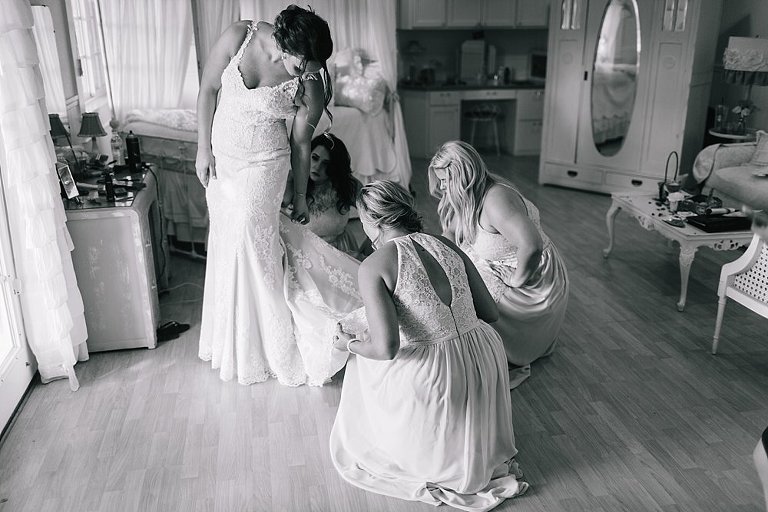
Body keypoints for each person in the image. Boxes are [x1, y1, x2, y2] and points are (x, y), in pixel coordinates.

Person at [330, 181, 528, 511]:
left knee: (360, 356)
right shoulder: (446, 244)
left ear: (374, 221)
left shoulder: (374, 265)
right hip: (483, 356)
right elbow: (490, 313)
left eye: (360, 219)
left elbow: (386, 349)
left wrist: (348, 343)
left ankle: (420, 447)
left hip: (437, 375)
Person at [195, 5, 358, 386]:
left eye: (313, 68)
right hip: (223, 162)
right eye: (301, 64)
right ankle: (232, 342)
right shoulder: (240, 35)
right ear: (285, 45)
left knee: (251, 240)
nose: (306, 73)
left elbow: (301, 143)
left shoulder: (310, 82)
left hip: (264, 165)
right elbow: (208, 90)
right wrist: (202, 148)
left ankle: (273, 347)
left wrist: (299, 196)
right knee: (227, 243)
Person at [428, 141, 569, 389]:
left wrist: (516, 279)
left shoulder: (496, 201)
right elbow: (451, 232)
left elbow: (532, 245)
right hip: (500, 262)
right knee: (449, 281)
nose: (441, 187)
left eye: (445, 180)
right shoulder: (473, 191)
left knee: (467, 299)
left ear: (463, 177)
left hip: (532, 276)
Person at [301, 133, 363, 258]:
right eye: (315, 158)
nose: (317, 167)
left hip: (340, 251)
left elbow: (375, 217)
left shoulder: (347, 185)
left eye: (326, 164)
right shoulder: (293, 182)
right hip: (302, 252)